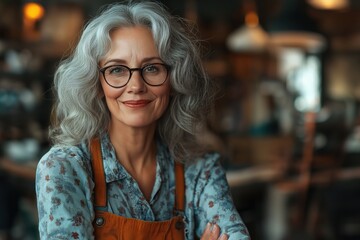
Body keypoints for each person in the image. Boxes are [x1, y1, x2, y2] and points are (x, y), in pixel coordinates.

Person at [35, 1, 250, 239]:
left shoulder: (200, 169)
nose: (136, 86)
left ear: (174, 80)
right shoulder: (64, 169)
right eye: (117, 70)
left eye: (152, 68)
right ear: (96, 84)